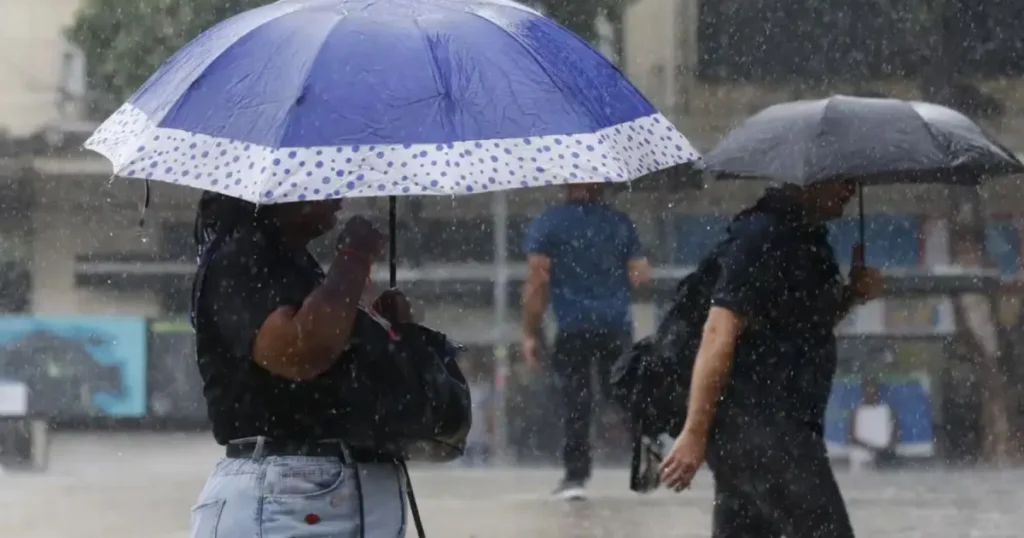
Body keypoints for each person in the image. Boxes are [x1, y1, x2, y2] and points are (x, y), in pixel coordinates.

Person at [659, 180, 883, 538]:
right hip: (762, 430)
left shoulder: (807, 239)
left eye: (855, 180)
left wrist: (852, 296)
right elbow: (718, 332)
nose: (851, 190)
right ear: (806, 178)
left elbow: (801, 327)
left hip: (777, 426)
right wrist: (694, 432)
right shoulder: (761, 237)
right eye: (840, 179)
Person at [189, 192, 414, 538]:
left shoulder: (293, 262)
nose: (339, 194)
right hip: (292, 494)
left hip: (331, 493)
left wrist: (378, 329)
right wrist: (354, 258)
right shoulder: (239, 259)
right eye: (325, 182)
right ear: (279, 192)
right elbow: (300, 351)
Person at [521, 183, 651, 500]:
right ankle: (647, 454)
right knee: (621, 395)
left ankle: (575, 476)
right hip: (614, 324)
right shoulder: (620, 223)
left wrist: (529, 331)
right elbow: (641, 276)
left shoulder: (548, 223)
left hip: (572, 327)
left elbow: (537, 281)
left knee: (575, 402)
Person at [848, 376, 898, 472]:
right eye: (867, 389)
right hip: (862, 455)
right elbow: (852, 437)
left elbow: (895, 434)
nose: (870, 393)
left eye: (873, 389)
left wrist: (886, 449)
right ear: (863, 391)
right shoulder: (857, 411)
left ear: (877, 391)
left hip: (884, 456)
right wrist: (871, 448)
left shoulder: (887, 410)